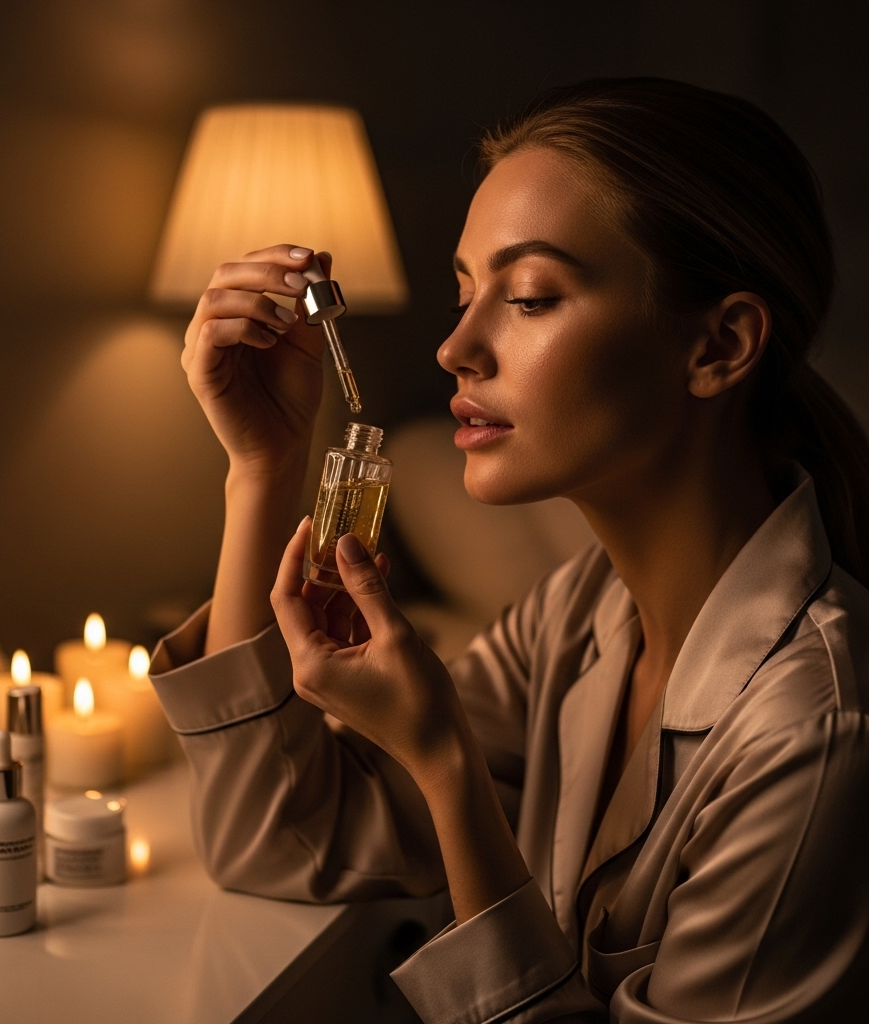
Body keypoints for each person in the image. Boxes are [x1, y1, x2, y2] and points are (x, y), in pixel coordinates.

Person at [149, 78, 869, 1022]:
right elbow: (283, 842)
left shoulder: (817, 730)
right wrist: (264, 468)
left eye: (529, 296)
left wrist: (446, 763)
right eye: (464, 289)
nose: (455, 346)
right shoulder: (578, 614)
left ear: (719, 346)